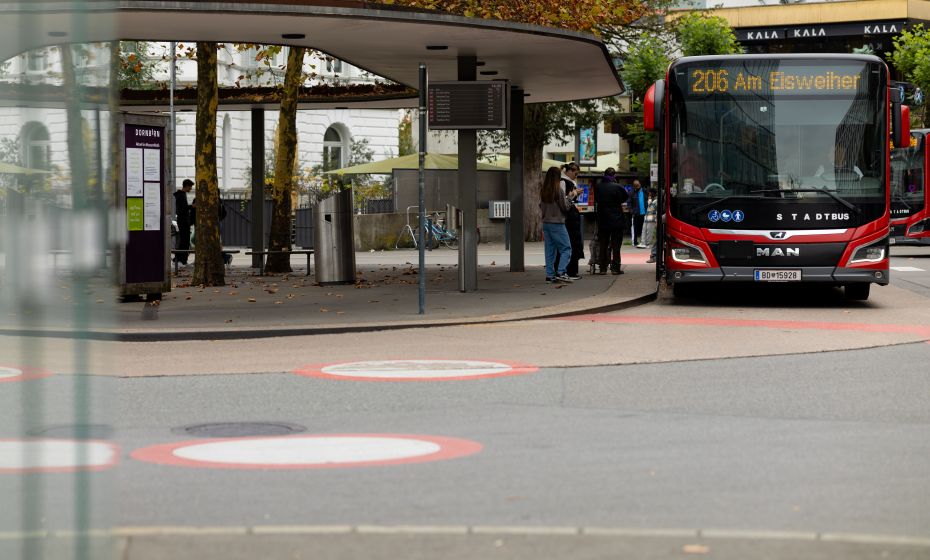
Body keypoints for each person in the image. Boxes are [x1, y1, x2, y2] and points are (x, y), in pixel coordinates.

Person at [540, 166, 574, 284]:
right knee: (566, 248)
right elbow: (565, 207)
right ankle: (561, 272)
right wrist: (570, 197)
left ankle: (550, 275)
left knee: (550, 251)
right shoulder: (558, 190)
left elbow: (541, 206)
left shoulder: (543, 190)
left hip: (546, 223)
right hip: (557, 223)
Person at [593, 168, 629, 275]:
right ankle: (615, 268)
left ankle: (603, 268)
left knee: (603, 244)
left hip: (602, 218)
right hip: (616, 218)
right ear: (614, 175)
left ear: (604, 174)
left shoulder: (598, 186)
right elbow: (625, 197)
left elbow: (596, 199)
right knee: (616, 245)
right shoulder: (618, 187)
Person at [555, 162, 584, 280]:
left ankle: (566, 271)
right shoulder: (563, 182)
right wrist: (574, 194)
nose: (576, 176)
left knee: (569, 244)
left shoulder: (566, 182)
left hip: (569, 215)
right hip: (568, 216)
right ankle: (566, 271)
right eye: (575, 174)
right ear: (569, 171)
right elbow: (563, 201)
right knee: (568, 244)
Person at [173, 179, 193, 266]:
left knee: (185, 241)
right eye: (190, 187)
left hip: (183, 221)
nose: (191, 189)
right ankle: (179, 260)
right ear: (186, 186)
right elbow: (182, 209)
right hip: (183, 221)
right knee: (184, 241)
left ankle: (182, 260)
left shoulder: (182, 195)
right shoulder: (181, 196)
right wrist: (192, 206)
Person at [630, 179, 647, 247]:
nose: (637, 187)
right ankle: (635, 241)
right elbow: (629, 203)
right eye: (636, 186)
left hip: (644, 213)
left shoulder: (644, 191)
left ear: (640, 184)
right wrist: (632, 211)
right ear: (634, 186)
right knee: (635, 228)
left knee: (644, 228)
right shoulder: (632, 193)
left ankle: (643, 241)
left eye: (638, 186)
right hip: (636, 213)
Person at [643, 188, 659, 264]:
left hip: (653, 220)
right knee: (653, 238)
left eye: (650, 193)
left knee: (655, 238)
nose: (649, 194)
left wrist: (649, 200)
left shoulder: (656, 201)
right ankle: (654, 255)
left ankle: (653, 256)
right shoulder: (652, 200)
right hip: (648, 219)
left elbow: (653, 209)